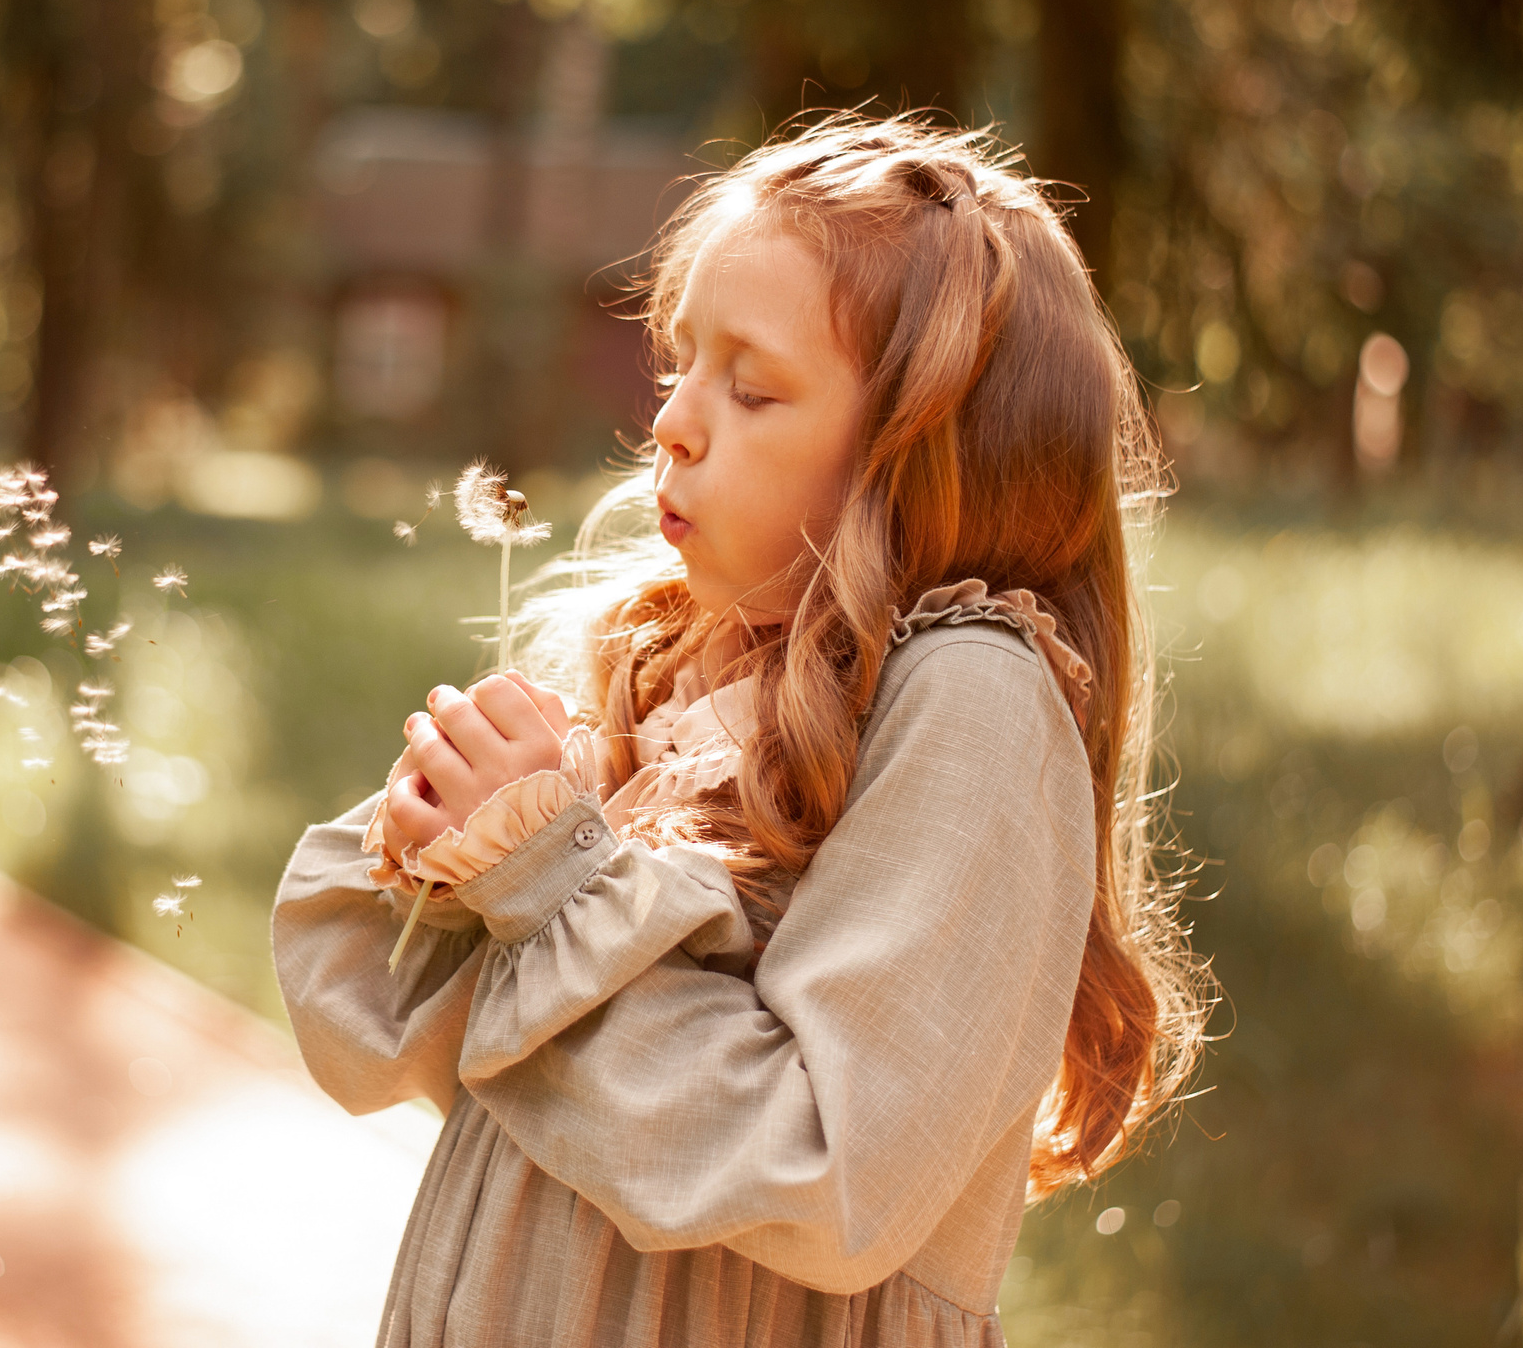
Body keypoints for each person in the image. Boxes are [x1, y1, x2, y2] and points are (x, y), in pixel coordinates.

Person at [271, 111, 1208, 1347]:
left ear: (916, 457)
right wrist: (459, 854)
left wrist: (551, 884)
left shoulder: (972, 695)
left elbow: (828, 1176)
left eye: (751, 385)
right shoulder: (671, 682)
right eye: (679, 366)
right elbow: (384, 1044)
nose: (673, 420)